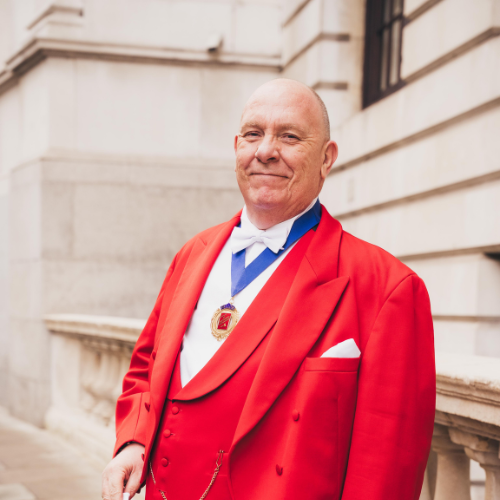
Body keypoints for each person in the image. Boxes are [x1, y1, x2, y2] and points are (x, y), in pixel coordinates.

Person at [102, 78, 435, 500]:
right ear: (236, 147)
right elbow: (146, 367)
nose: (265, 151)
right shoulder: (192, 253)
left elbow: (383, 470)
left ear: (326, 158)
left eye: (289, 137)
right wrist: (133, 441)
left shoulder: (389, 288)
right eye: (253, 134)